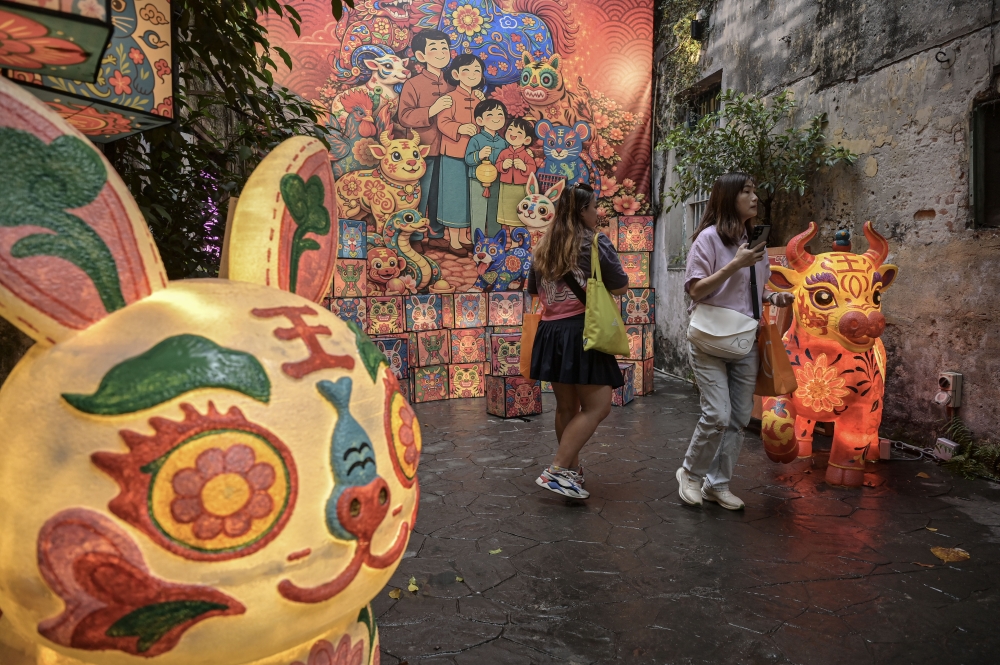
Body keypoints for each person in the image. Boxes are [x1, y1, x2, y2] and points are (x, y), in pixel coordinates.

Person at [677, 173, 794, 510]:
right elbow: (696, 290)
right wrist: (735, 263)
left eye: (755, 190)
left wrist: (775, 297)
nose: (754, 197)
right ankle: (691, 474)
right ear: (729, 198)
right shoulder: (708, 240)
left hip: (746, 338)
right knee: (716, 414)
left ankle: (718, 483)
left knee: (739, 417)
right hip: (709, 339)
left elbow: (753, 290)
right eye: (746, 192)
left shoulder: (753, 241)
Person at [527, 183, 629, 499]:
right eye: (594, 207)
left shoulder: (543, 244)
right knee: (598, 407)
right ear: (582, 210)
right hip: (583, 331)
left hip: (550, 332)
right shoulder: (595, 243)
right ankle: (557, 470)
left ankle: (570, 471)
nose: (597, 213)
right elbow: (621, 287)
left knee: (566, 407)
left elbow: (534, 290)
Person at [436, 54, 487, 257]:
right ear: (456, 74)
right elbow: (443, 123)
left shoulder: (479, 99)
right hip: (453, 155)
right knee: (454, 197)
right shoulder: (449, 98)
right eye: (468, 70)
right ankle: (454, 239)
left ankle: (466, 236)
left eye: (477, 71)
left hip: (474, 155)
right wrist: (460, 128)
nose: (473, 74)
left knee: (469, 196)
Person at [465, 99, 509, 240]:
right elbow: (468, 159)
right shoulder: (476, 140)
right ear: (480, 120)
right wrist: (479, 155)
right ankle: (476, 240)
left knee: (494, 211)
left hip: (497, 181)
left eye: (500, 114)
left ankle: (495, 239)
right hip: (477, 181)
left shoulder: (503, 141)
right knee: (478, 210)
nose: (496, 118)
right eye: (490, 114)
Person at [496, 117, 537, 234]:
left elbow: (532, 168)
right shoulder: (504, 153)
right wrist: (503, 165)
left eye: (519, 132)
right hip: (506, 187)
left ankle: (520, 238)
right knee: (508, 213)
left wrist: (524, 167)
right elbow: (497, 165)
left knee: (519, 214)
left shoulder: (525, 154)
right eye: (511, 129)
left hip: (521, 188)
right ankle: (512, 239)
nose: (513, 134)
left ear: (527, 140)